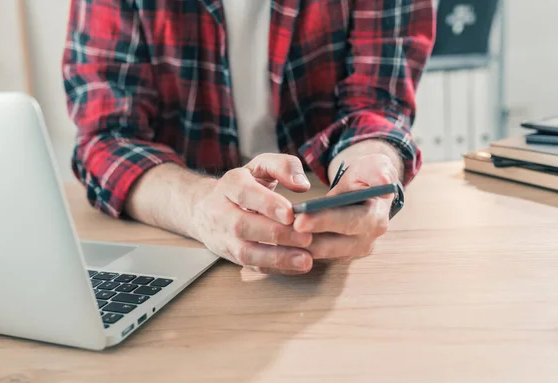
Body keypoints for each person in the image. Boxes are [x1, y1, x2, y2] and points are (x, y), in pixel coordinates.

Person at [62, 0, 435, 275]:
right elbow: (107, 137)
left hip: (320, 246)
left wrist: (371, 168)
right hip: (179, 244)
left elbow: (376, 106)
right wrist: (198, 206)